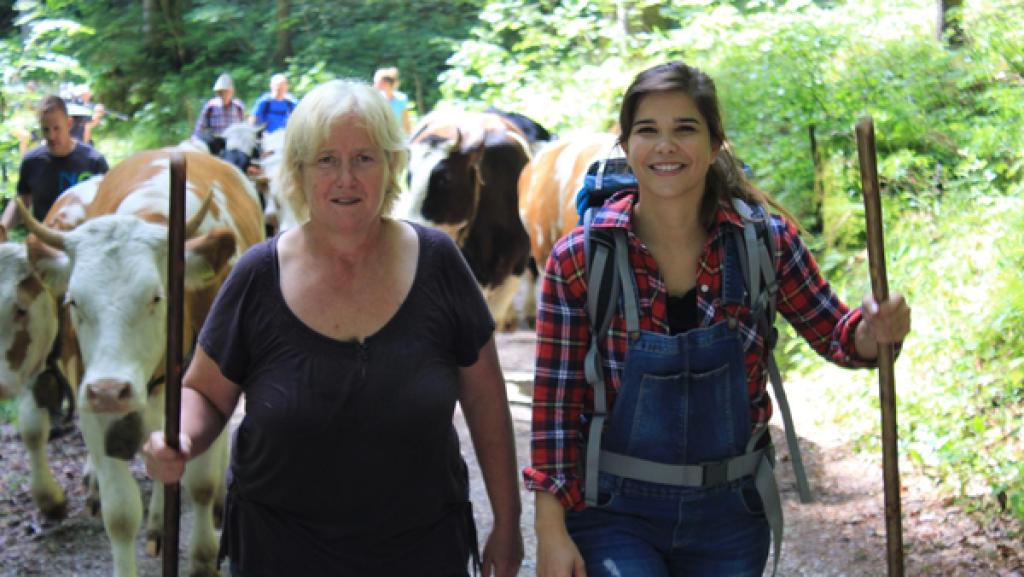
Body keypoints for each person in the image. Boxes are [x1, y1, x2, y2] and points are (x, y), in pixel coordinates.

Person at [525, 61, 912, 577]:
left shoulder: (764, 244)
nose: (666, 145)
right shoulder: (582, 257)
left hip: (730, 515)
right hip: (612, 511)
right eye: (648, 130)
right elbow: (555, 407)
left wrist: (877, 331)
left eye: (685, 128)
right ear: (626, 146)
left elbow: (840, 337)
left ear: (714, 146)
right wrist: (550, 531)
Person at [143, 78, 524, 577]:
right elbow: (207, 394)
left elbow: (485, 399)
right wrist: (182, 440)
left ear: (390, 166)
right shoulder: (258, 275)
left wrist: (509, 521)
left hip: (423, 549)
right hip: (279, 550)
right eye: (326, 160)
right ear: (298, 172)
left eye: (364, 158)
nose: (346, 178)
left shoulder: (439, 262)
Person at [0, 94, 109, 239]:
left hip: (84, 242)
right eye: (46, 130)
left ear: (69, 124)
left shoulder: (94, 161)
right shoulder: (32, 161)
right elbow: (22, 201)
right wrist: (3, 227)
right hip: (45, 242)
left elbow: (108, 206)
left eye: (57, 128)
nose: (51, 136)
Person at [193, 72, 247, 144]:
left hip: (234, 143)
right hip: (215, 144)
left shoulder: (238, 107)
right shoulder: (210, 107)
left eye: (225, 92)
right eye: (220, 92)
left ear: (232, 92)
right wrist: (194, 140)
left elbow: (243, 127)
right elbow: (199, 129)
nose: (223, 94)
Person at [373, 66, 411, 134]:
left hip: (396, 137)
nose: (375, 86)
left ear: (386, 83)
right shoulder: (375, 100)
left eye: (377, 83)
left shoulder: (401, 99)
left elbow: (406, 123)